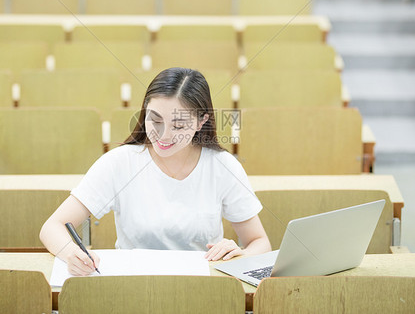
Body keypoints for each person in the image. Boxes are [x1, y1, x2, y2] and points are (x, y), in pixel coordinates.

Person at [40, 67, 271, 276]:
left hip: (201, 290)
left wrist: (240, 254)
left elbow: (260, 242)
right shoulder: (119, 163)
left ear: (202, 122)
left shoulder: (222, 167)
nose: (164, 135)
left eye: (178, 126)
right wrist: (71, 253)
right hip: (132, 288)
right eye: (155, 120)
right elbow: (52, 227)